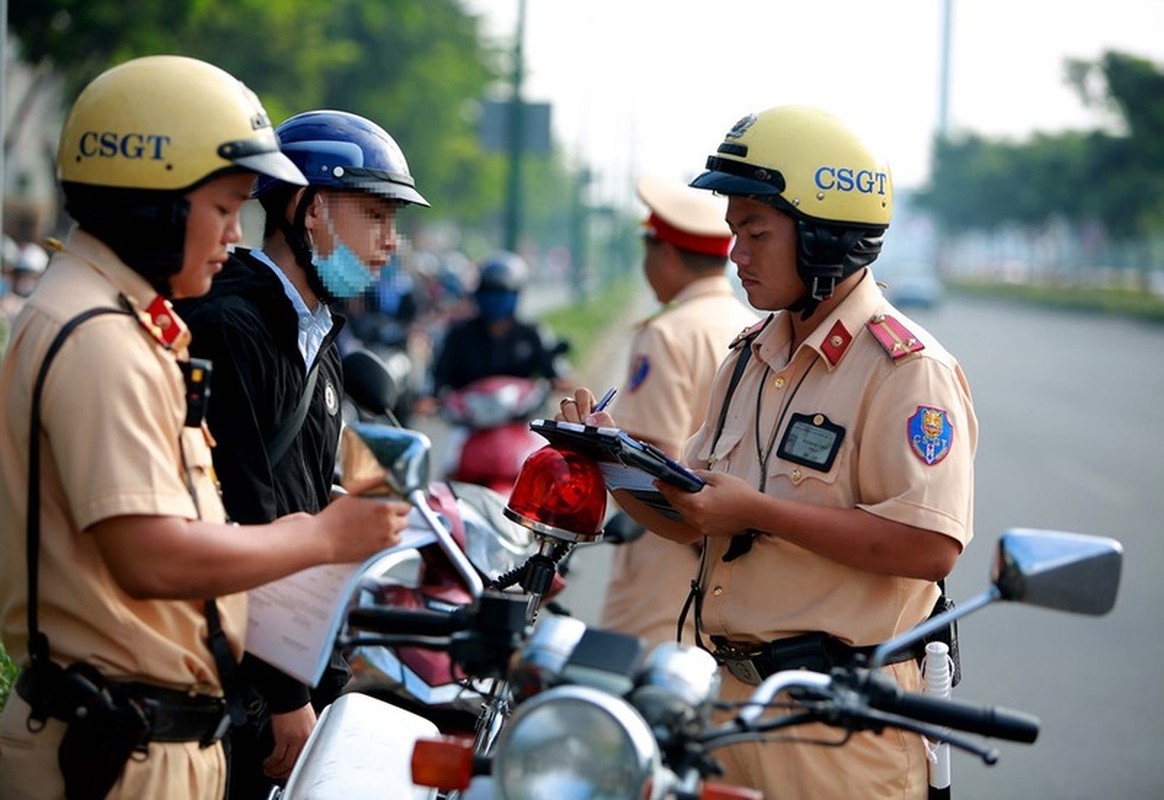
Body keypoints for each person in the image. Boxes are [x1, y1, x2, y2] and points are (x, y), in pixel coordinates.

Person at [0, 56, 411, 800]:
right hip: (114, 748)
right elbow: (151, 556)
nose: (232, 237)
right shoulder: (101, 337)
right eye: (222, 208)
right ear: (155, 202)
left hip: (150, 738)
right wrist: (323, 538)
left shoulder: (124, 323)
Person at [560, 104, 977, 799]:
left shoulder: (905, 370)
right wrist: (607, 459)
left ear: (821, 236)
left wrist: (763, 511)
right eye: (733, 233)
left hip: (836, 729)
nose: (736, 255)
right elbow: (699, 516)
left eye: (755, 233)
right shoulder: (750, 357)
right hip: (728, 706)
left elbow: (929, 547)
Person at [173, 108, 429, 797]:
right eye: (375, 215)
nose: (389, 242)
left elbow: (313, 505)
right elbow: (246, 516)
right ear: (312, 209)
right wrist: (285, 696)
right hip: (234, 685)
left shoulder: (317, 334)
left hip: (285, 671)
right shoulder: (230, 326)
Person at [598, 174, 758, 650]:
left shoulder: (666, 334)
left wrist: (593, 446)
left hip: (665, 578)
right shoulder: (752, 328)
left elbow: (653, 463)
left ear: (665, 253)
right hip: (732, 579)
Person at [425, 250, 570, 400]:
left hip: (520, 415)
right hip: (469, 416)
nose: (495, 300)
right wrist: (430, 398)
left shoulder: (531, 333)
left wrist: (560, 381)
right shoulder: (459, 334)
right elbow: (438, 375)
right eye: (489, 291)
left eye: (502, 292)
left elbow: (554, 371)